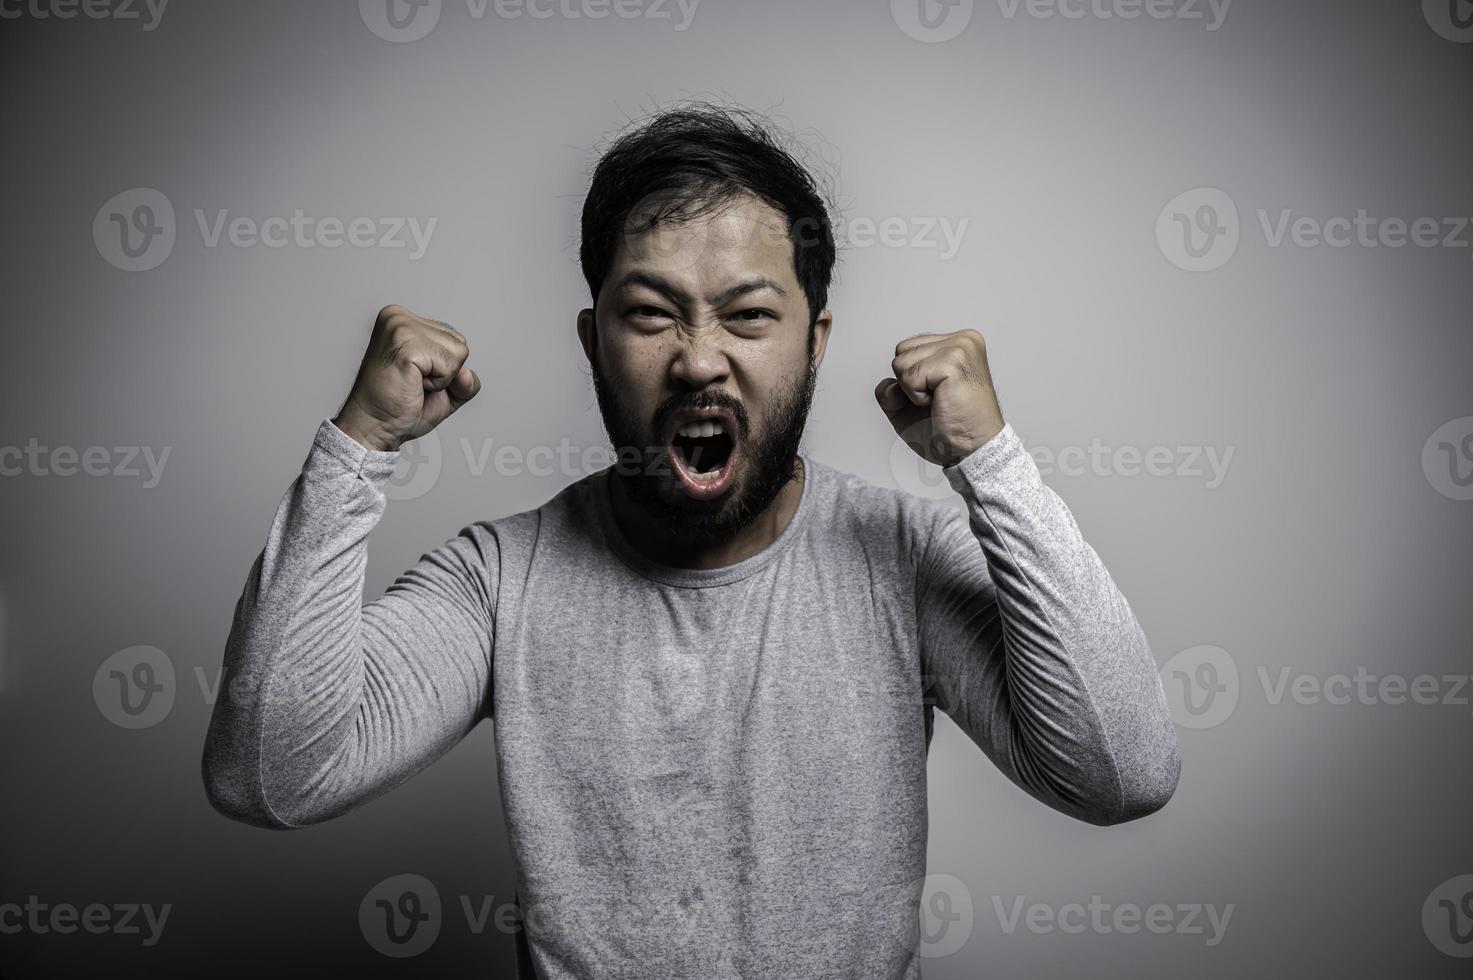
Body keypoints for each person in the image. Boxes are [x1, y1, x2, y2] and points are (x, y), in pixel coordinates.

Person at [202, 103, 1179, 978]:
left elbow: (1122, 772)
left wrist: (992, 465)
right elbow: (271, 775)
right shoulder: (501, 577)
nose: (699, 359)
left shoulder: (900, 552)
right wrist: (357, 447)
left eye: (749, 315)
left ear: (815, 342)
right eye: (650, 314)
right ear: (593, 343)